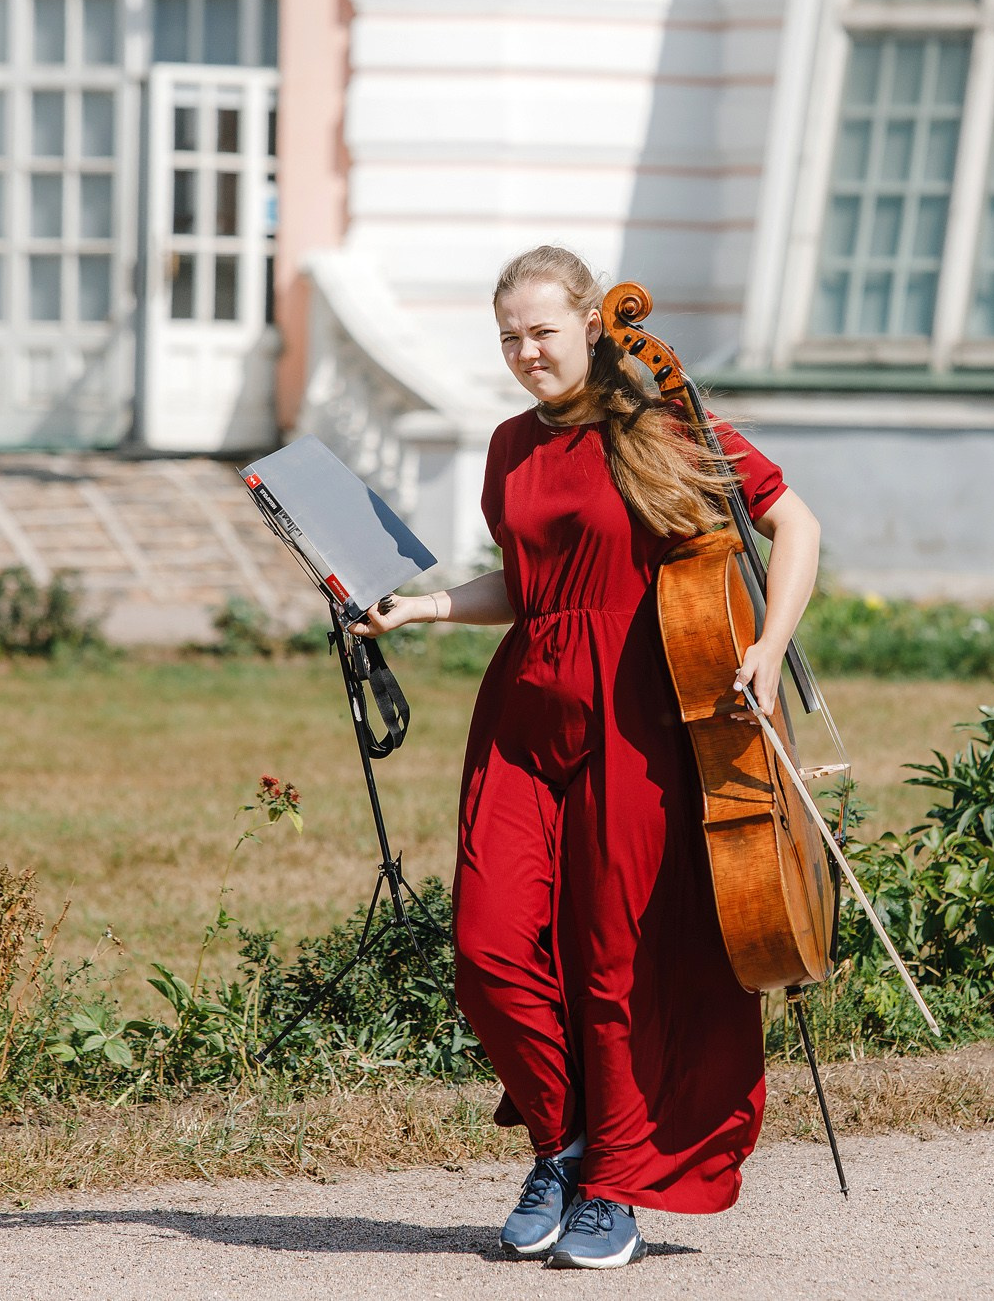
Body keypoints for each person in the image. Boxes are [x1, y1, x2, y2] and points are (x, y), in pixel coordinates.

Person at [349, 245, 821, 1270]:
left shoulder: (665, 428)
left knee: (614, 964)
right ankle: (561, 1144)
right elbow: (527, 583)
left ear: (592, 327)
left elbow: (793, 527)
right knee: (488, 946)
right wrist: (426, 605)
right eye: (508, 338)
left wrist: (768, 648)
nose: (525, 354)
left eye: (542, 333)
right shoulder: (510, 446)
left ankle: (616, 1181)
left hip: (640, 713)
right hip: (524, 711)